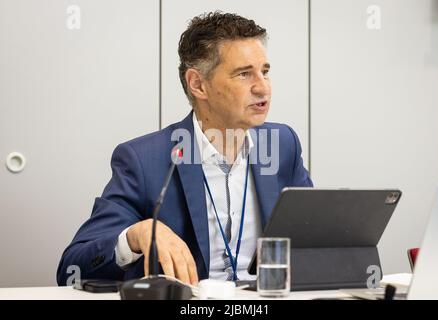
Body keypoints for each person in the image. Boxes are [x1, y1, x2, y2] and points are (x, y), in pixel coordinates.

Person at [57, 11, 312, 286]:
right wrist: (135, 236)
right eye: (243, 74)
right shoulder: (144, 160)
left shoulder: (283, 143)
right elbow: (72, 268)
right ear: (198, 84)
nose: (263, 88)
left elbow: (316, 240)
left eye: (264, 72)